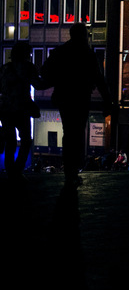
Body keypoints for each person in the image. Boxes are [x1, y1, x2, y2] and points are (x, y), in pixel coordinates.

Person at [40, 23, 117, 187]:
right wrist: (107, 101)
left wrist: (58, 80)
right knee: (77, 133)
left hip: (64, 98)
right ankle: (72, 171)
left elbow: (45, 71)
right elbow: (99, 80)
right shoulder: (87, 54)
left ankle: (70, 171)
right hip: (81, 98)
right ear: (83, 36)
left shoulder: (60, 52)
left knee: (68, 132)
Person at [1, 41, 42, 179]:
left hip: (5, 110)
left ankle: (10, 169)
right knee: (26, 140)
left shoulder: (5, 68)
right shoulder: (28, 67)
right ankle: (18, 169)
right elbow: (38, 84)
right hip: (22, 109)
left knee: (10, 141)